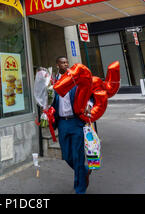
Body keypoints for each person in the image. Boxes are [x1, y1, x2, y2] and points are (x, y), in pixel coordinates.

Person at [52, 56, 91, 194]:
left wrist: (88, 106)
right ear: (57, 65)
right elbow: (49, 101)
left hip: (75, 121)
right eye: (62, 62)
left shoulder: (76, 80)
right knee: (67, 156)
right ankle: (84, 170)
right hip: (62, 122)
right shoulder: (53, 82)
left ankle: (80, 189)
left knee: (78, 156)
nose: (66, 64)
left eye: (67, 62)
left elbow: (87, 94)